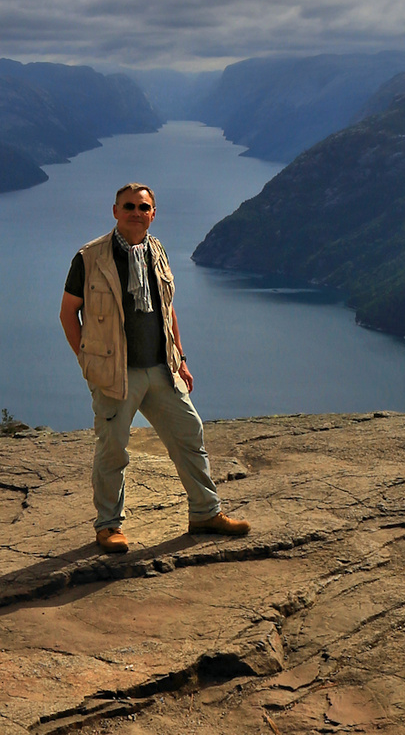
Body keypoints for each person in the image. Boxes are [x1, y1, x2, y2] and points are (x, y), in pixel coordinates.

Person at [59, 182, 251, 553]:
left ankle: (205, 513)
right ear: (115, 211)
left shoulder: (156, 252)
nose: (136, 213)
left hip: (162, 368)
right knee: (113, 450)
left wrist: (181, 356)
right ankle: (108, 526)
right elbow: (69, 312)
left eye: (143, 207)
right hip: (116, 373)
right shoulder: (90, 258)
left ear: (153, 214)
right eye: (128, 206)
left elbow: (167, 307)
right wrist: (87, 360)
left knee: (189, 435)